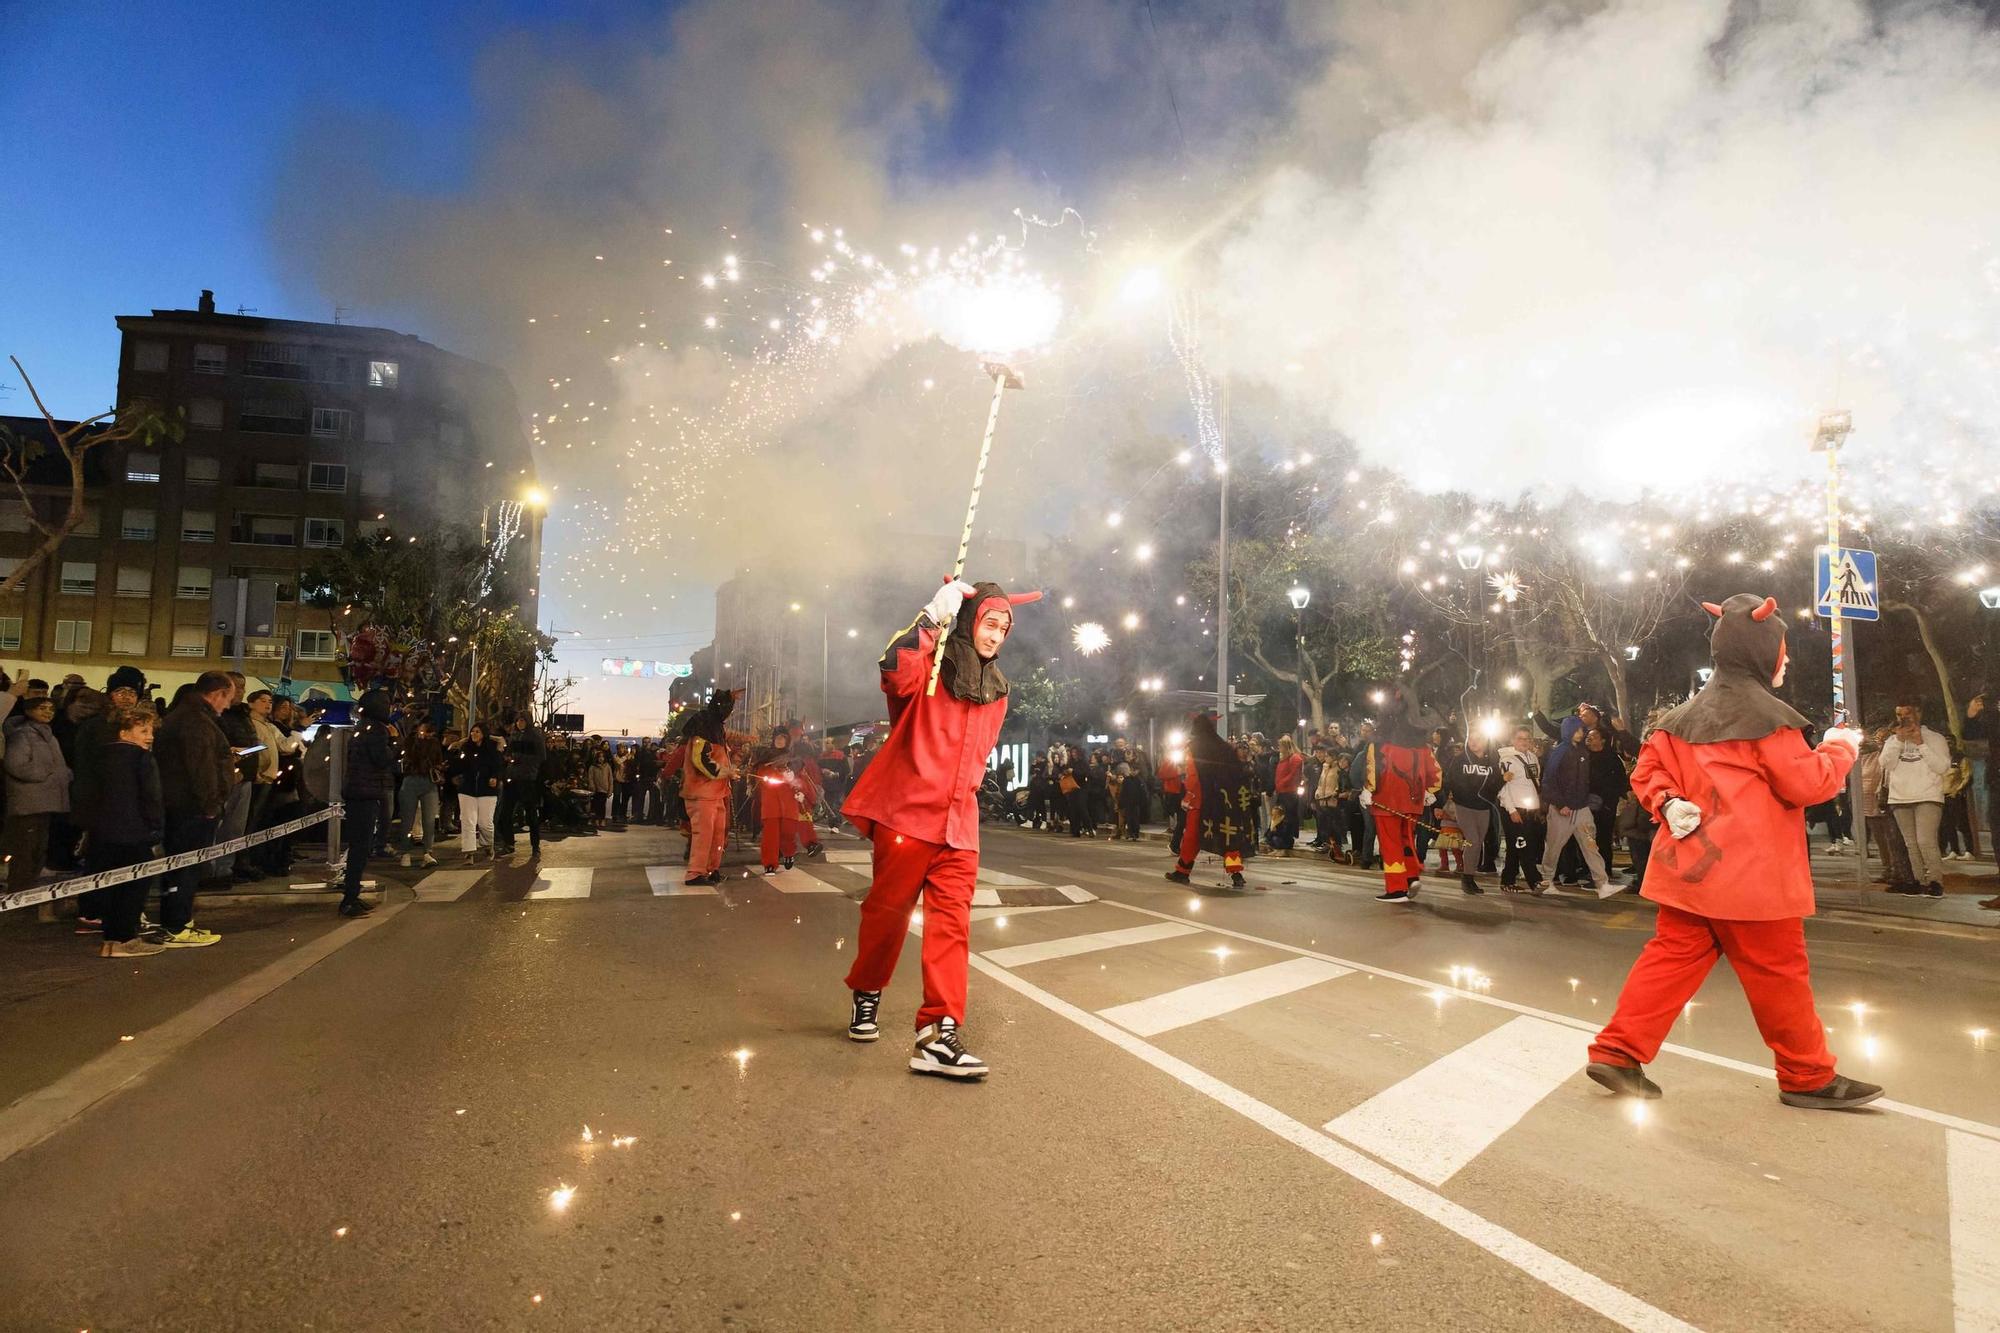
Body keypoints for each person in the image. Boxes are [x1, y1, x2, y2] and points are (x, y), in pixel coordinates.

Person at [1588, 593, 1879, 1110]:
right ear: (1762, 650)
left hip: (1690, 871)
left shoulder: (1678, 718)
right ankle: (1806, 1075)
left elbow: (1647, 772)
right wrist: (1841, 746)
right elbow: (1808, 785)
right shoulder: (1771, 719)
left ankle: (1617, 1050)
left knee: (1670, 959)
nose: (1785, 659)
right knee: (1779, 976)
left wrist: (1667, 801)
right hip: (1753, 879)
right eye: (1782, 649)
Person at [842, 578, 1039, 1079]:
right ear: (971, 622)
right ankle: (867, 993)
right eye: (989, 623)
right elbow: (891, 669)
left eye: (1003, 627)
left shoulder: (999, 692)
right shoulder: (927, 670)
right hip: (907, 817)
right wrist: (930, 619)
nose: (995, 635)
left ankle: (938, 1033)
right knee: (885, 917)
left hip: (960, 827)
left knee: (951, 927)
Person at [152, 671, 234, 947]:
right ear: (217, 694)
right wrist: (211, 804)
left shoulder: (190, 717)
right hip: (190, 807)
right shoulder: (196, 722)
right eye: (229, 698)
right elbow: (201, 767)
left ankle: (178, 920)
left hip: (183, 804)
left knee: (182, 866)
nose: (229, 705)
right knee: (185, 867)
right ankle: (176, 925)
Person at [88, 704, 168, 957]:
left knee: (110, 887)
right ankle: (125, 939)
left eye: (151, 730)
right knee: (133, 888)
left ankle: (110, 940)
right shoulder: (142, 758)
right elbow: (151, 797)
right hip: (134, 834)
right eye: (143, 730)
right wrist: (156, 828)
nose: (150, 736)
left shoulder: (98, 757)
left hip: (102, 833)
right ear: (124, 733)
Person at [1357, 685, 1442, 904]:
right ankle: (1411, 876)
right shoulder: (1424, 748)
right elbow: (1436, 773)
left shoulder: (1380, 744)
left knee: (1390, 844)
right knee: (1407, 840)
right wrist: (1428, 792)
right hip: (1413, 801)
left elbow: (1373, 769)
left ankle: (1396, 889)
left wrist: (1368, 789)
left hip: (1386, 800)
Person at [1164, 710, 1256, 890]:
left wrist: (1189, 795)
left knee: (1192, 837)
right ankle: (1236, 874)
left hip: (1201, 800)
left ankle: (1182, 872)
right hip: (1224, 801)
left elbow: (1192, 777)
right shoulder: (1224, 747)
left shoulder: (1194, 747)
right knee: (1228, 838)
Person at [1536, 716, 1615, 897]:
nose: (1582, 732)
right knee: (1554, 847)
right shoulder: (1559, 752)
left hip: (1581, 809)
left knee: (1590, 845)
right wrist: (1559, 803)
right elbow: (1548, 781)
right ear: (1570, 730)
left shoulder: (1582, 751)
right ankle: (1546, 880)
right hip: (1562, 811)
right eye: (1578, 729)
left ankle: (1602, 884)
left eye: (1582, 729)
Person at [1878, 700, 1951, 896]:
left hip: (1928, 794)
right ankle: (1918, 881)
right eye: (1899, 715)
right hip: (1900, 797)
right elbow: (1886, 764)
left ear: (1919, 713)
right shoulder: (1893, 740)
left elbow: (1942, 767)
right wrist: (1899, 741)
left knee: (1925, 840)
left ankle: (1935, 881)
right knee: (1911, 843)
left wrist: (1920, 744)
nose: (1903, 719)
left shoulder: (1934, 738)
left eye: (1907, 715)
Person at [3, 692, 71, 893]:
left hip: (44, 801)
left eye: (51, 708)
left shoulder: (47, 734)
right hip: (29, 803)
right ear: (29, 710)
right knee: (25, 851)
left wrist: (65, 775)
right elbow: (16, 764)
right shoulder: (22, 734)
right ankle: (18, 892)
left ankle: (28, 890)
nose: (48, 712)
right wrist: (45, 773)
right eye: (42, 708)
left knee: (38, 849)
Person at [338, 689, 398, 917]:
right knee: (360, 849)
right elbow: (382, 759)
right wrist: (394, 742)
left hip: (360, 791)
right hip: (365, 793)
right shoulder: (377, 730)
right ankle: (349, 899)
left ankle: (352, 895)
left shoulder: (363, 727)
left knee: (360, 848)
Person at [677, 690, 740, 887]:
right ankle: (695, 873)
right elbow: (701, 760)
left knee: (717, 833)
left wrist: (729, 773)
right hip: (701, 792)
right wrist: (726, 772)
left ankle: (712, 869)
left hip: (717, 792)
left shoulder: (716, 727)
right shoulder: (703, 726)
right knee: (704, 834)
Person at [1444, 731, 1503, 893]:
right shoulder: (1460, 760)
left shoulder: (1492, 761)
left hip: (1483, 807)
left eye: (1478, 739)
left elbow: (1496, 782)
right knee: (1473, 840)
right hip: (1464, 806)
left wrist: (1502, 780)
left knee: (1477, 843)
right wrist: (1447, 799)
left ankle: (1470, 878)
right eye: (1471, 739)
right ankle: (1466, 878)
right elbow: (1450, 780)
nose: (1474, 742)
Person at [1497, 725, 1545, 892]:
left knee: (1518, 845)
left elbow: (1535, 782)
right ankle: (1534, 880)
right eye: (1520, 738)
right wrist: (1511, 810)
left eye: (1527, 738)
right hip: (1514, 809)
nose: (1524, 742)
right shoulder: (1507, 759)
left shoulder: (1532, 757)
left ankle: (1508, 880)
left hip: (1530, 809)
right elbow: (1503, 788)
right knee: (1522, 845)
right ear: (1512, 740)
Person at [754, 726, 808, 873]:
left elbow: (801, 778)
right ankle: (769, 863)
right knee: (770, 833)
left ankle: (789, 852)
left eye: (782, 738)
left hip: (788, 799)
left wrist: (795, 781)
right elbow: (758, 773)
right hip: (770, 798)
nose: (779, 741)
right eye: (777, 738)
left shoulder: (793, 759)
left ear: (787, 740)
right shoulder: (765, 757)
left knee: (788, 830)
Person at [449, 723, 504, 861]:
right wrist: (454, 747)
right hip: (467, 789)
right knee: (468, 820)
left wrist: (495, 778)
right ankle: (469, 851)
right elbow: (456, 764)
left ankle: (487, 845)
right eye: (472, 732)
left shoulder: (492, 750)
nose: (474, 734)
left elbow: (499, 766)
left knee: (485, 822)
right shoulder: (466, 749)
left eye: (478, 732)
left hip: (487, 790)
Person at [497, 712, 548, 856]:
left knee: (531, 814)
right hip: (512, 777)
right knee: (505, 812)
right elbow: (509, 752)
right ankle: (509, 843)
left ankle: (535, 846)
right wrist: (507, 758)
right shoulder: (514, 736)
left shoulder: (535, 736)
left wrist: (519, 759)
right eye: (518, 720)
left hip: (528, 779)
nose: (520, 723)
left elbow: (541, 757)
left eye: (522, 720)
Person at [398, 720, 445, 868]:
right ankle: (405, 852)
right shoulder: (410, 741)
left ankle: (428, 852)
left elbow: (437, 759)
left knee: (429, 820)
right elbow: (410, 756)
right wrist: (418, 740)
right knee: (407, 819)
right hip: (411, 779)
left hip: (428, 780)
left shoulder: (434, 743)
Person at [1270, 735, 1303, 853]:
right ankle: (1281, 838)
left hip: (1289, 792)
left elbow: (1293, 774)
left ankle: (1287, 839)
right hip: (1282, 791)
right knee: (1280, 816)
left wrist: (1282, 783)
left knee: (1288, 817)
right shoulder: (1283, 758)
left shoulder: (1294, 758)